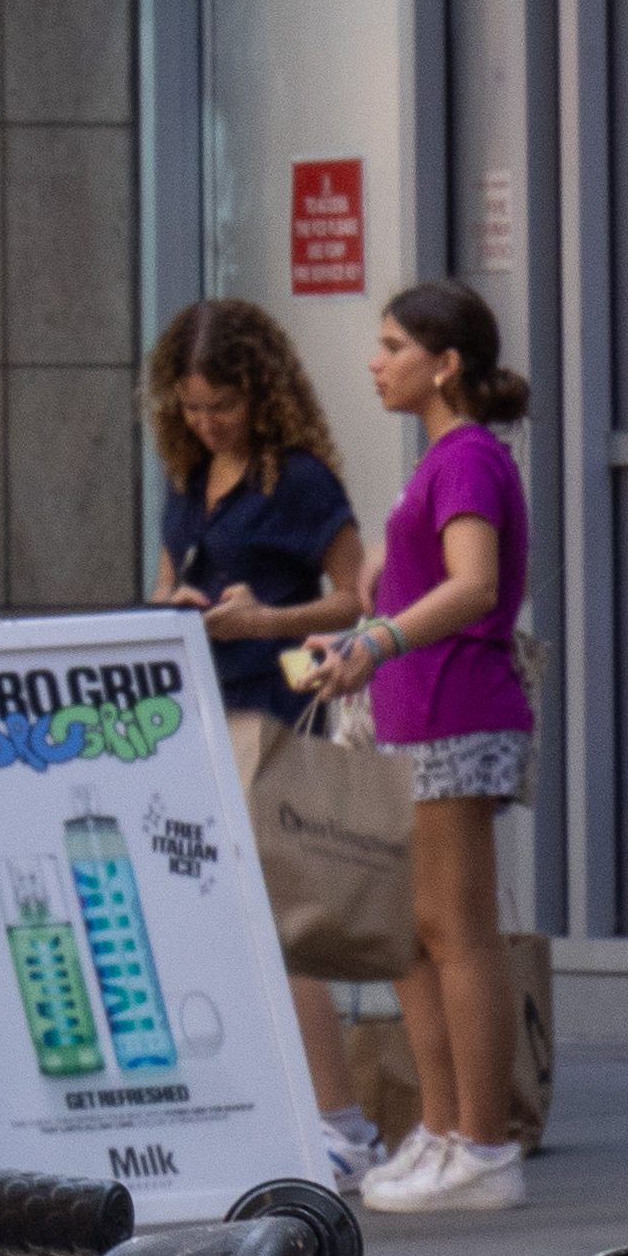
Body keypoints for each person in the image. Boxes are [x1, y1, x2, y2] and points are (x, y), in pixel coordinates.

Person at [297, 279, 539, 1219]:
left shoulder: (467, 458)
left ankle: (483, 1144)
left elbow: (476, 587)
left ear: (444, 364)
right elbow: (418, 588)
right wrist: (364, 623)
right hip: (417, 715)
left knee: (457, 932)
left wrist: (380, 640)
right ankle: (445, 1129)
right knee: (419, 933)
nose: (375, 359)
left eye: (393, 344)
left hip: (455, 714)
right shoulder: (442, 457)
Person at [145, 295, 375, 1179]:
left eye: (223, 407)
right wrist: (174, 607)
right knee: (221, 916)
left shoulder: (299, 479)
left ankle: (342, 1121)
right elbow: (171, 576)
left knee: (284, 922)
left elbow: (357, 596)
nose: (207, 424)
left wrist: (265, 619)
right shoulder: (184, 476)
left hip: (273, 707)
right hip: (199, 707)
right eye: (192, 408)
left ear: (262, 393)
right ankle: (283, 1107)